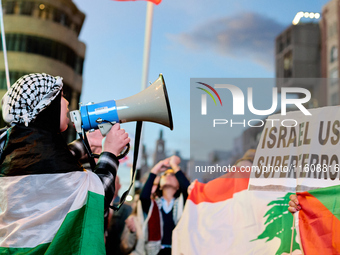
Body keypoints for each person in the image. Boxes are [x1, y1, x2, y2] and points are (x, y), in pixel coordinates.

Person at [0, 73, 130, 254]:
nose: (67, 102)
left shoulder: (13, 148)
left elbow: (51, 165)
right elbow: (96, 197)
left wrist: (87, 143)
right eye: (60, 97)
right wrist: (110, 152)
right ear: (46, 107)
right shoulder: (46, 160)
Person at [139, 155, 190, 255]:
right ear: (160, 185)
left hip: (177, 251)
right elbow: (144, 197)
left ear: (178, 185)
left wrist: (174, 166)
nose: (168, 176)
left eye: (173, 175)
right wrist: (155, 170)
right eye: (165, 175)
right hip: (155, 252)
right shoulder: (153, 205)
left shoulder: (182, 204)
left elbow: (187, 190)